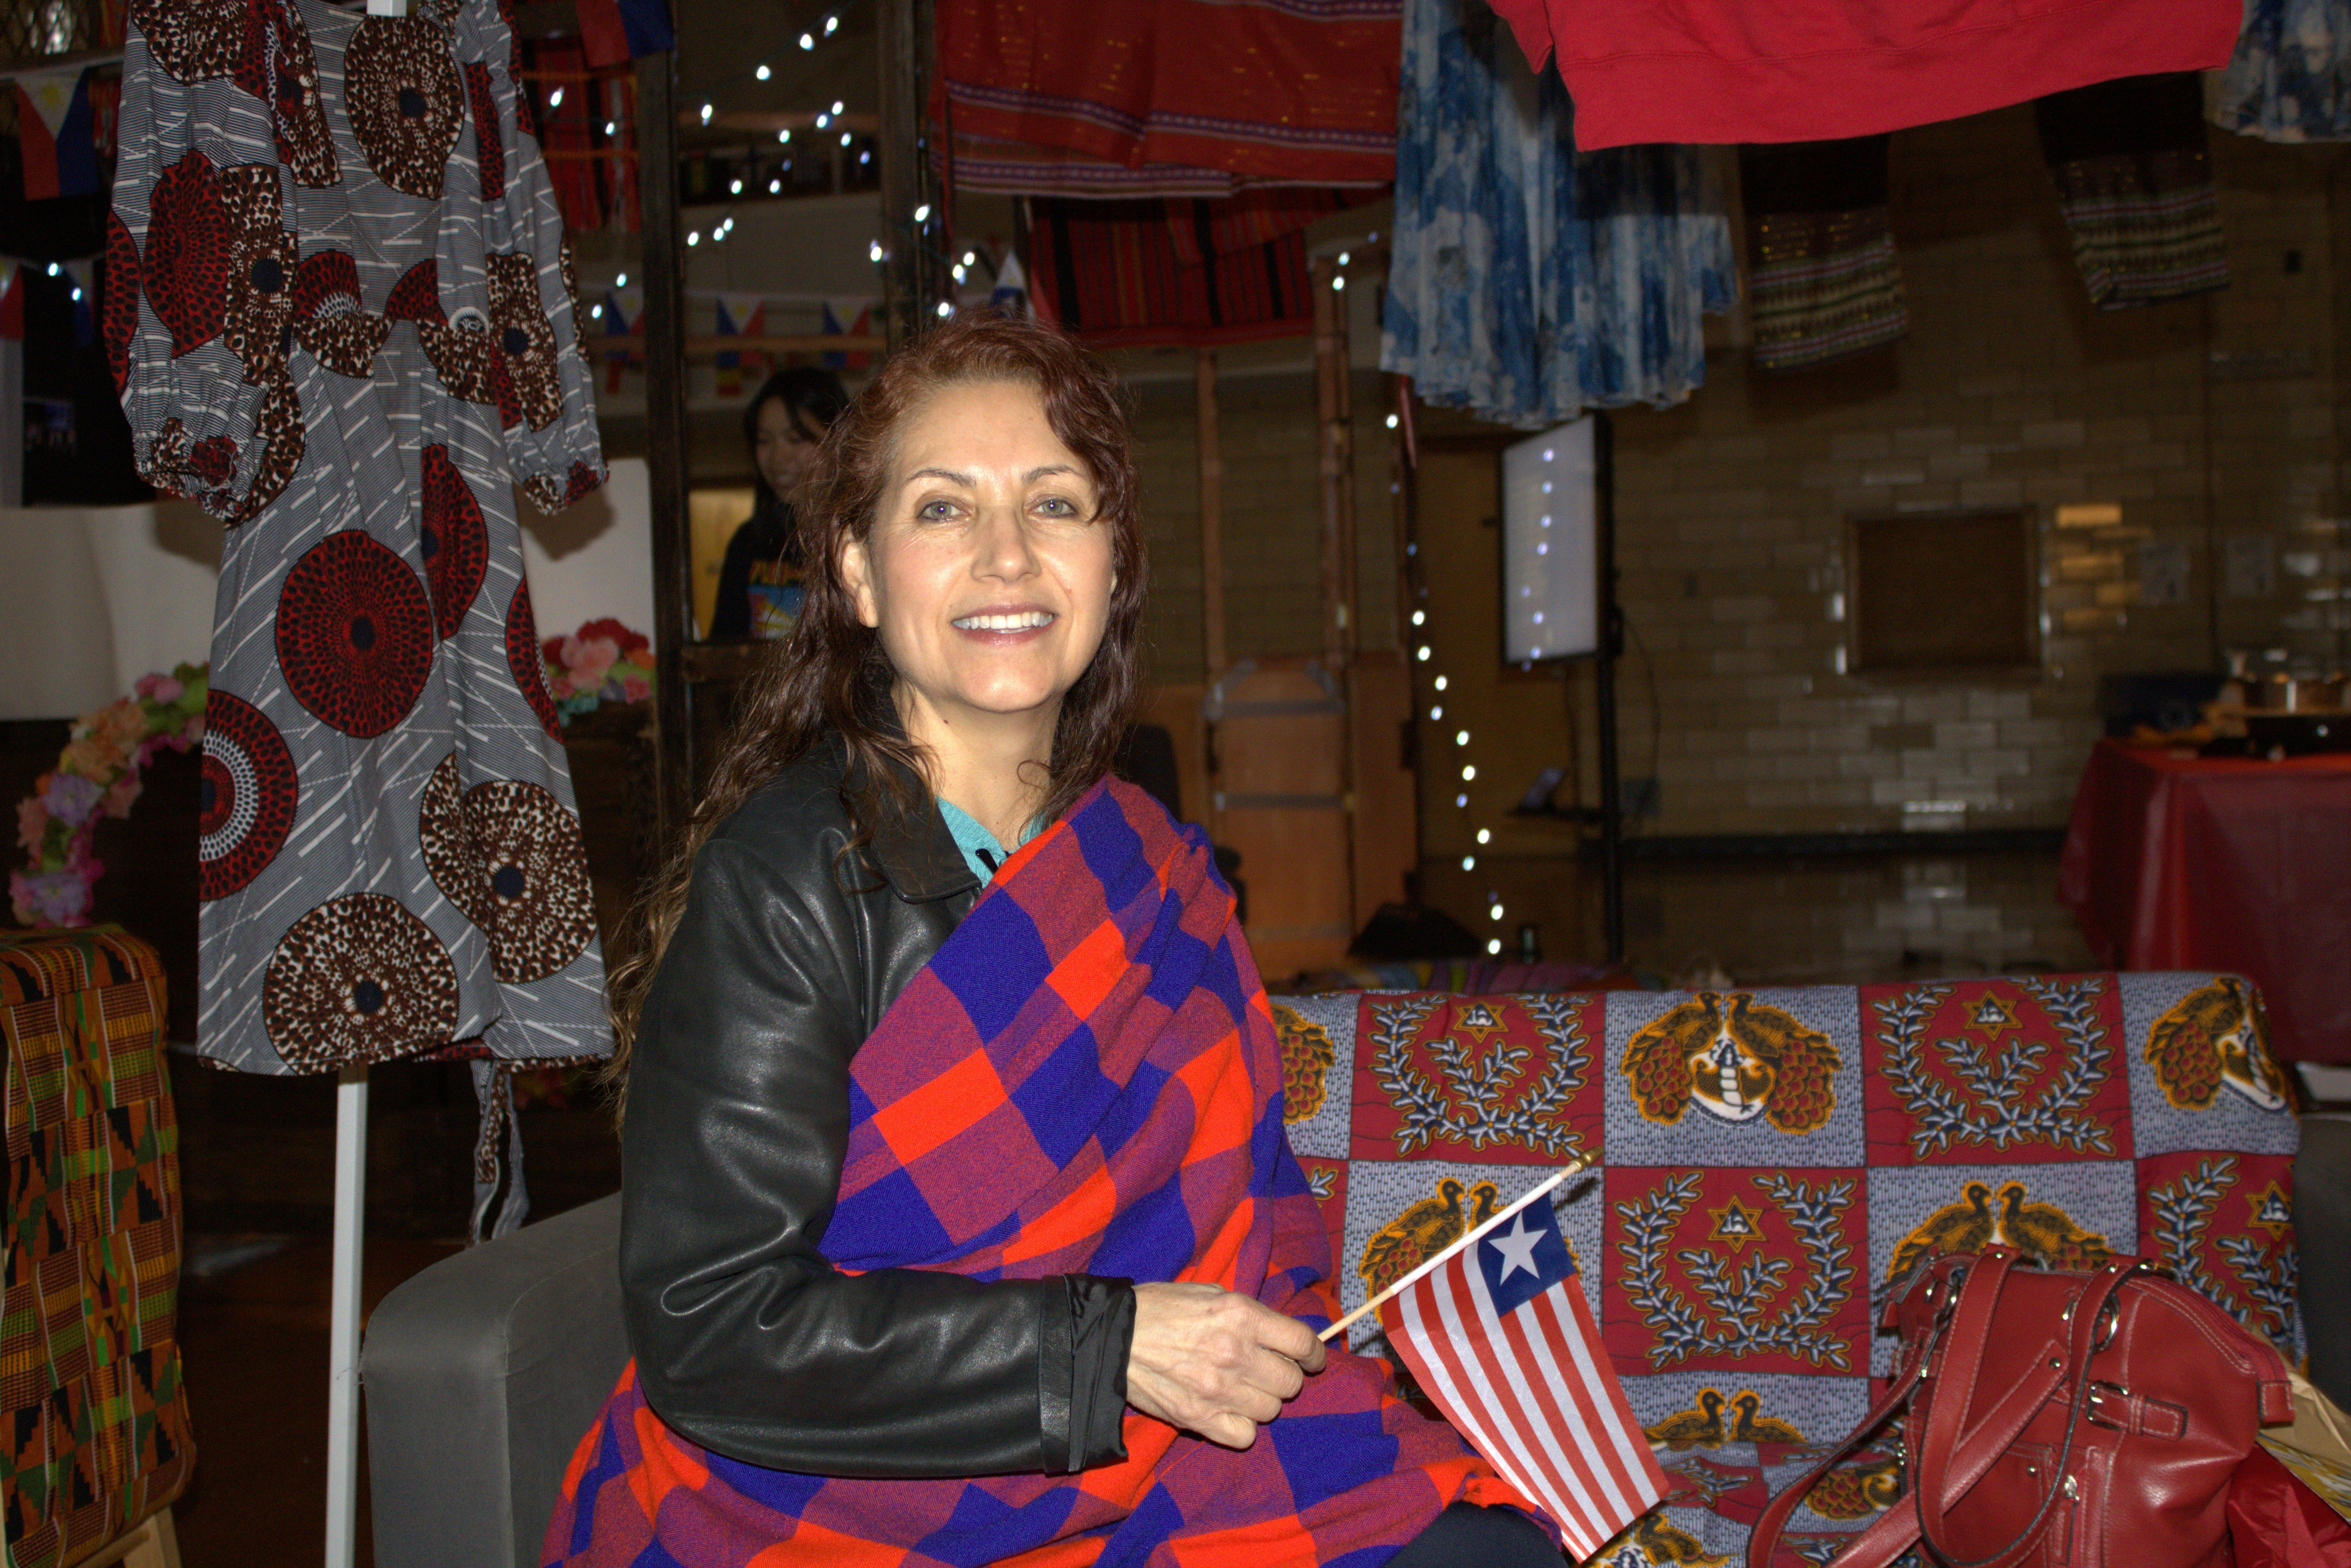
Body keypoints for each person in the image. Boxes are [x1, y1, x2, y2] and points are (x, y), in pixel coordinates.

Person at [546, 317, 1563, 1568]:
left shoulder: (1137, 858)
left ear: (1111, 562)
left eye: (1054, 503)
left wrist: (1236, 1338)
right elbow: (711, 1332)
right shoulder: (785, 879)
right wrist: (1108, 1348)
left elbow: (1248, 1202)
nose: (1007, 556)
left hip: (1161, 1454)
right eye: (939, 510)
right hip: (844, 1495)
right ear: (858, 576)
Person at [707, 366, 851, 641]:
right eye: (764, 441)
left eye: (795, 439)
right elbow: (724, 646)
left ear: (838, 440)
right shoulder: (748, 542)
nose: (778, 457)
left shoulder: (863, 534)